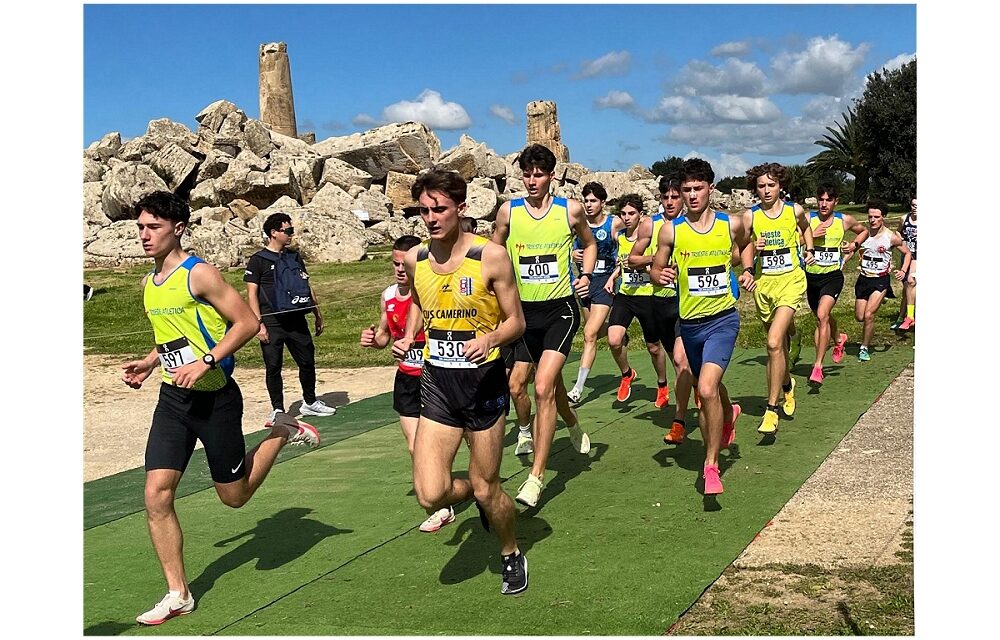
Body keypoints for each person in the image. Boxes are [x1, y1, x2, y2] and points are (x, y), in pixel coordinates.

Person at [121, 191, 320, 626]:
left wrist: (207, 360)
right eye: (140, 227)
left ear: (178, 228)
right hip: (174, 400)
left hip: (216, 399)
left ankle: (281, 432)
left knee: (234, 497)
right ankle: (178, 593)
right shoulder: (150, 282)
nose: (144, 235)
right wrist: (151, 361)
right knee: (156, 494)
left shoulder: (200, 274)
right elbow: (172, 335)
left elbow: (248, 322)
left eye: (153, 227)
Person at [391, 168, 529, 595]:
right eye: (424, 210)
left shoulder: (490, 256)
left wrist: (489, 338)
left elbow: (517, 322)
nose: (431, 218)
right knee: (430, 495)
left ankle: (510, 551)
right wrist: (405, 336)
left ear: (461, 209)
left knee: (491, 490)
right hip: (439, 386)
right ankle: (469, 491)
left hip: (484, 384)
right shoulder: (415, 259)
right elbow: (419, 303)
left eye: (440, 209)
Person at [492, 143, 595, 508]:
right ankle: (573, 423)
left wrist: (585, 274)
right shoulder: (509, 212)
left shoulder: (570, 210)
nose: (532, 180)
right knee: (544, 387)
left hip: (560, 311)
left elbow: (590, 242)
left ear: (551, 176)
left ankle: (536, 477)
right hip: (523, 317)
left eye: (539, 174)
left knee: (542, 386)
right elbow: (493, 252)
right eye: (527, 174)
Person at [650, 158, 752, 496]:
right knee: (710, 385)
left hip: (723, 319)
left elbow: (746, 246)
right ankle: (729, 411)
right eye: (686, 190)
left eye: (698, 188)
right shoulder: (671, 230)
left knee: (705, 389)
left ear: (711, 188)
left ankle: (710, 466)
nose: (692, 196)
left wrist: (746, 268)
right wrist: (659, 275)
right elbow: (656, 267)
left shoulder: (730, 224)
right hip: (690, 325)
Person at [360, 234, 456, 533]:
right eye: (395, 263)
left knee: (463, 439)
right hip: (406, 379)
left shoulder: (430, 290)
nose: (400, 269)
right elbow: (385, 336)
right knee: (416, 447)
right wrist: (373, 341)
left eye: (404, 263)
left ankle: (476, 485)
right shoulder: (388, 295)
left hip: (437, 377)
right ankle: (440, 505)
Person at [739, 163, 814, 435]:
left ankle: (771, 411)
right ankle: (786, 386)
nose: (767, 190)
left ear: (780, 185)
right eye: (761, 186)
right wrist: (748, 267)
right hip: (764, 285)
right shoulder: (750, 217)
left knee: (772, 342)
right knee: (777, 347)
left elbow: (805, 229)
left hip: (791, 280)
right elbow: (743, 247)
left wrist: (810, 249)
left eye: (771, 185)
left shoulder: (795, 210)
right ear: (755, 189)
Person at [244, 213, 336, 422]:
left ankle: (310, 402)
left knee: (307, 361)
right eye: (287, 231)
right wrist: (258, 324)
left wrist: (317, 313)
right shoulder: (258, 260)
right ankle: (277, 409)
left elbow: (306, 284)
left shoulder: (294, 256)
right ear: (273, 233)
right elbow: (251, 293)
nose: (291, 234)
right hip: (272, 321)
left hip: (296, 318)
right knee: (274, 365)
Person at [629, 177, 697, 444]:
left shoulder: (694, 223)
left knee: (681, 361)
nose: (669, 202)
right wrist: (657, 259)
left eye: (674, 196)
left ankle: (679, 422)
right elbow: (632, 258)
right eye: (665, 197)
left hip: (687, 303)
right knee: (678, 360)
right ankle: (702, 392)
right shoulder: (651, 224)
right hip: (661, 303)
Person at [804, 184, 868, 385]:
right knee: (822, 316)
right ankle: (839, 338)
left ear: (835, 202)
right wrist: (811, 236)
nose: (824, 204)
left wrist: (853, 245)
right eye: (821, 199)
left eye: (828, 200)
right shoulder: (808, 219)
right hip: (811, 277)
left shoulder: (844, 220)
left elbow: (863, 231)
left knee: (822, 316)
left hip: (833, 276)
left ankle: (818, 367)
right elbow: (793, 240)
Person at [567, 181, 624, 404]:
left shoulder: (614, 223)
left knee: (589, 334)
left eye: (593, 201)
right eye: (586, 201)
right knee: (597, 331)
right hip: (583, 283)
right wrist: (573, 255)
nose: (589, 205)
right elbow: (566, 247)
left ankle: (578, 389)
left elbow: (636, 229)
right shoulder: (578, 223)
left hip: (604, 283)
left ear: (602, 202)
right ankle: (616, 334)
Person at [853, 199, 912, 361]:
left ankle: (864, 347)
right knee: (859, 317)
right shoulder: (864, 234)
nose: (872, 220)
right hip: (863, 278)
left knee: (869, 315)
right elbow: (853, 249)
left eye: (876, 217)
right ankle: (880, 299)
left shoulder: (890, 237)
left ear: (883, 217)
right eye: (870, 216)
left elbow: (907, 253)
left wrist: (903, 270)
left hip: (880, 280)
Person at [891, 195, 917, 331]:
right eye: (913, 206)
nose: (915, 209)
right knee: (907, 288)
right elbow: (897, 231)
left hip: (918, 257)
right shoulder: (904, 218)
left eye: (918, 206)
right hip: (907, 256)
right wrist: (901, 240)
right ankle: (902, 317)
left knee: (911, 282)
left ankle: (910, 316)